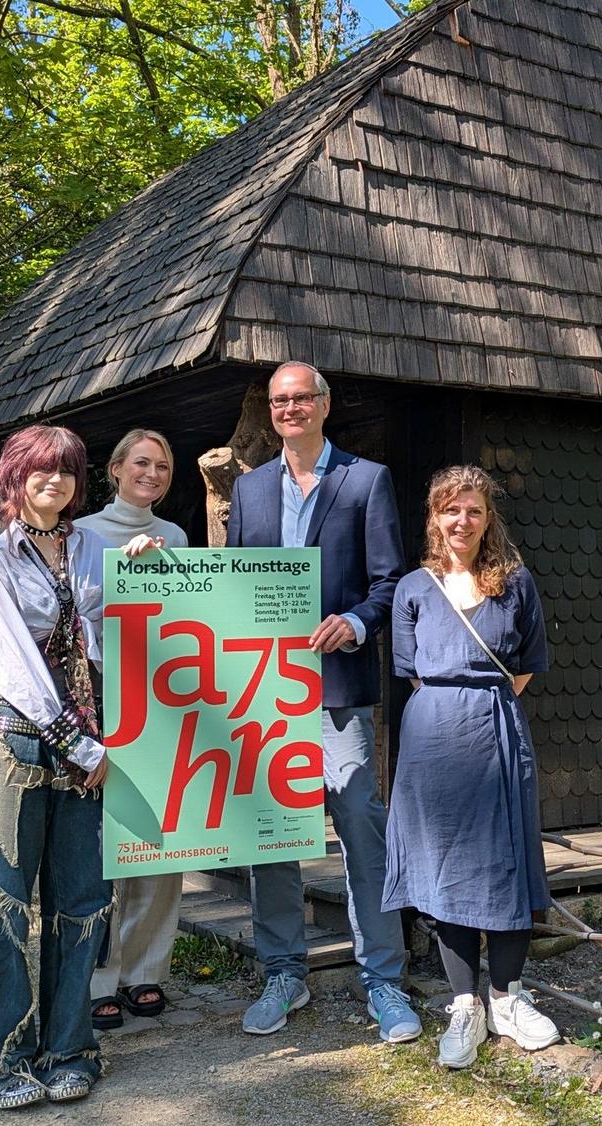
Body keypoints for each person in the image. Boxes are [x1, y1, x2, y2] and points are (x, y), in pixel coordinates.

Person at [226, 361, 420, 1044]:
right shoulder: (247, 490)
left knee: (360, 826)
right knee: (271, 834)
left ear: (324, 405)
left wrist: (358, 622)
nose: (290, 409)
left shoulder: (365, 480)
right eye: (279, 401)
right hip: (263, 692)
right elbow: (228, 585)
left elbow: (390, 580)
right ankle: (285, 972)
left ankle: (384, 982)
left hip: (336, 689)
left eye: (300, 397)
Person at [382, 465, 558, 1069]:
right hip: (432, 734)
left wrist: (486, 704)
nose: (463, 520)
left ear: (488, 519)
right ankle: (465, 1003)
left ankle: (507, 998)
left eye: (474, 510)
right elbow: (413, 668)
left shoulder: (516, 582)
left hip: (494, 729)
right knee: (443, 863)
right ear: (435, 516)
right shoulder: (413, 587)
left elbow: (527, 662)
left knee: (504, 859)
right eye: (451, 510)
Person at [0, 424, 114, 1110]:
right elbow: (14, 670)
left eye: (67, 471)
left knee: (81, 902)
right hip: (21, 746)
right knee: (4, 901)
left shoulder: (93, 550)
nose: (54, 481)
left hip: (94, 750)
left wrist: (147, 571)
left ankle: (70, 1050)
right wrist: (82, 746)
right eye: (40, 471)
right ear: (15, 481)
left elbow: (126, 633)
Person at [77, 428, 186, 1030]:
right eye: (141, 462)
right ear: (116, 469)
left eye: (163, 466)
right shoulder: (84, 532)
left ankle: (146, 973)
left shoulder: (176, 538)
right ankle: (99, 978)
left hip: (161, 711)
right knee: (101, 853)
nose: (152, 473)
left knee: (158, 849)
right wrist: (125, 571)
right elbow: (78, 612)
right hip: (98, 709)